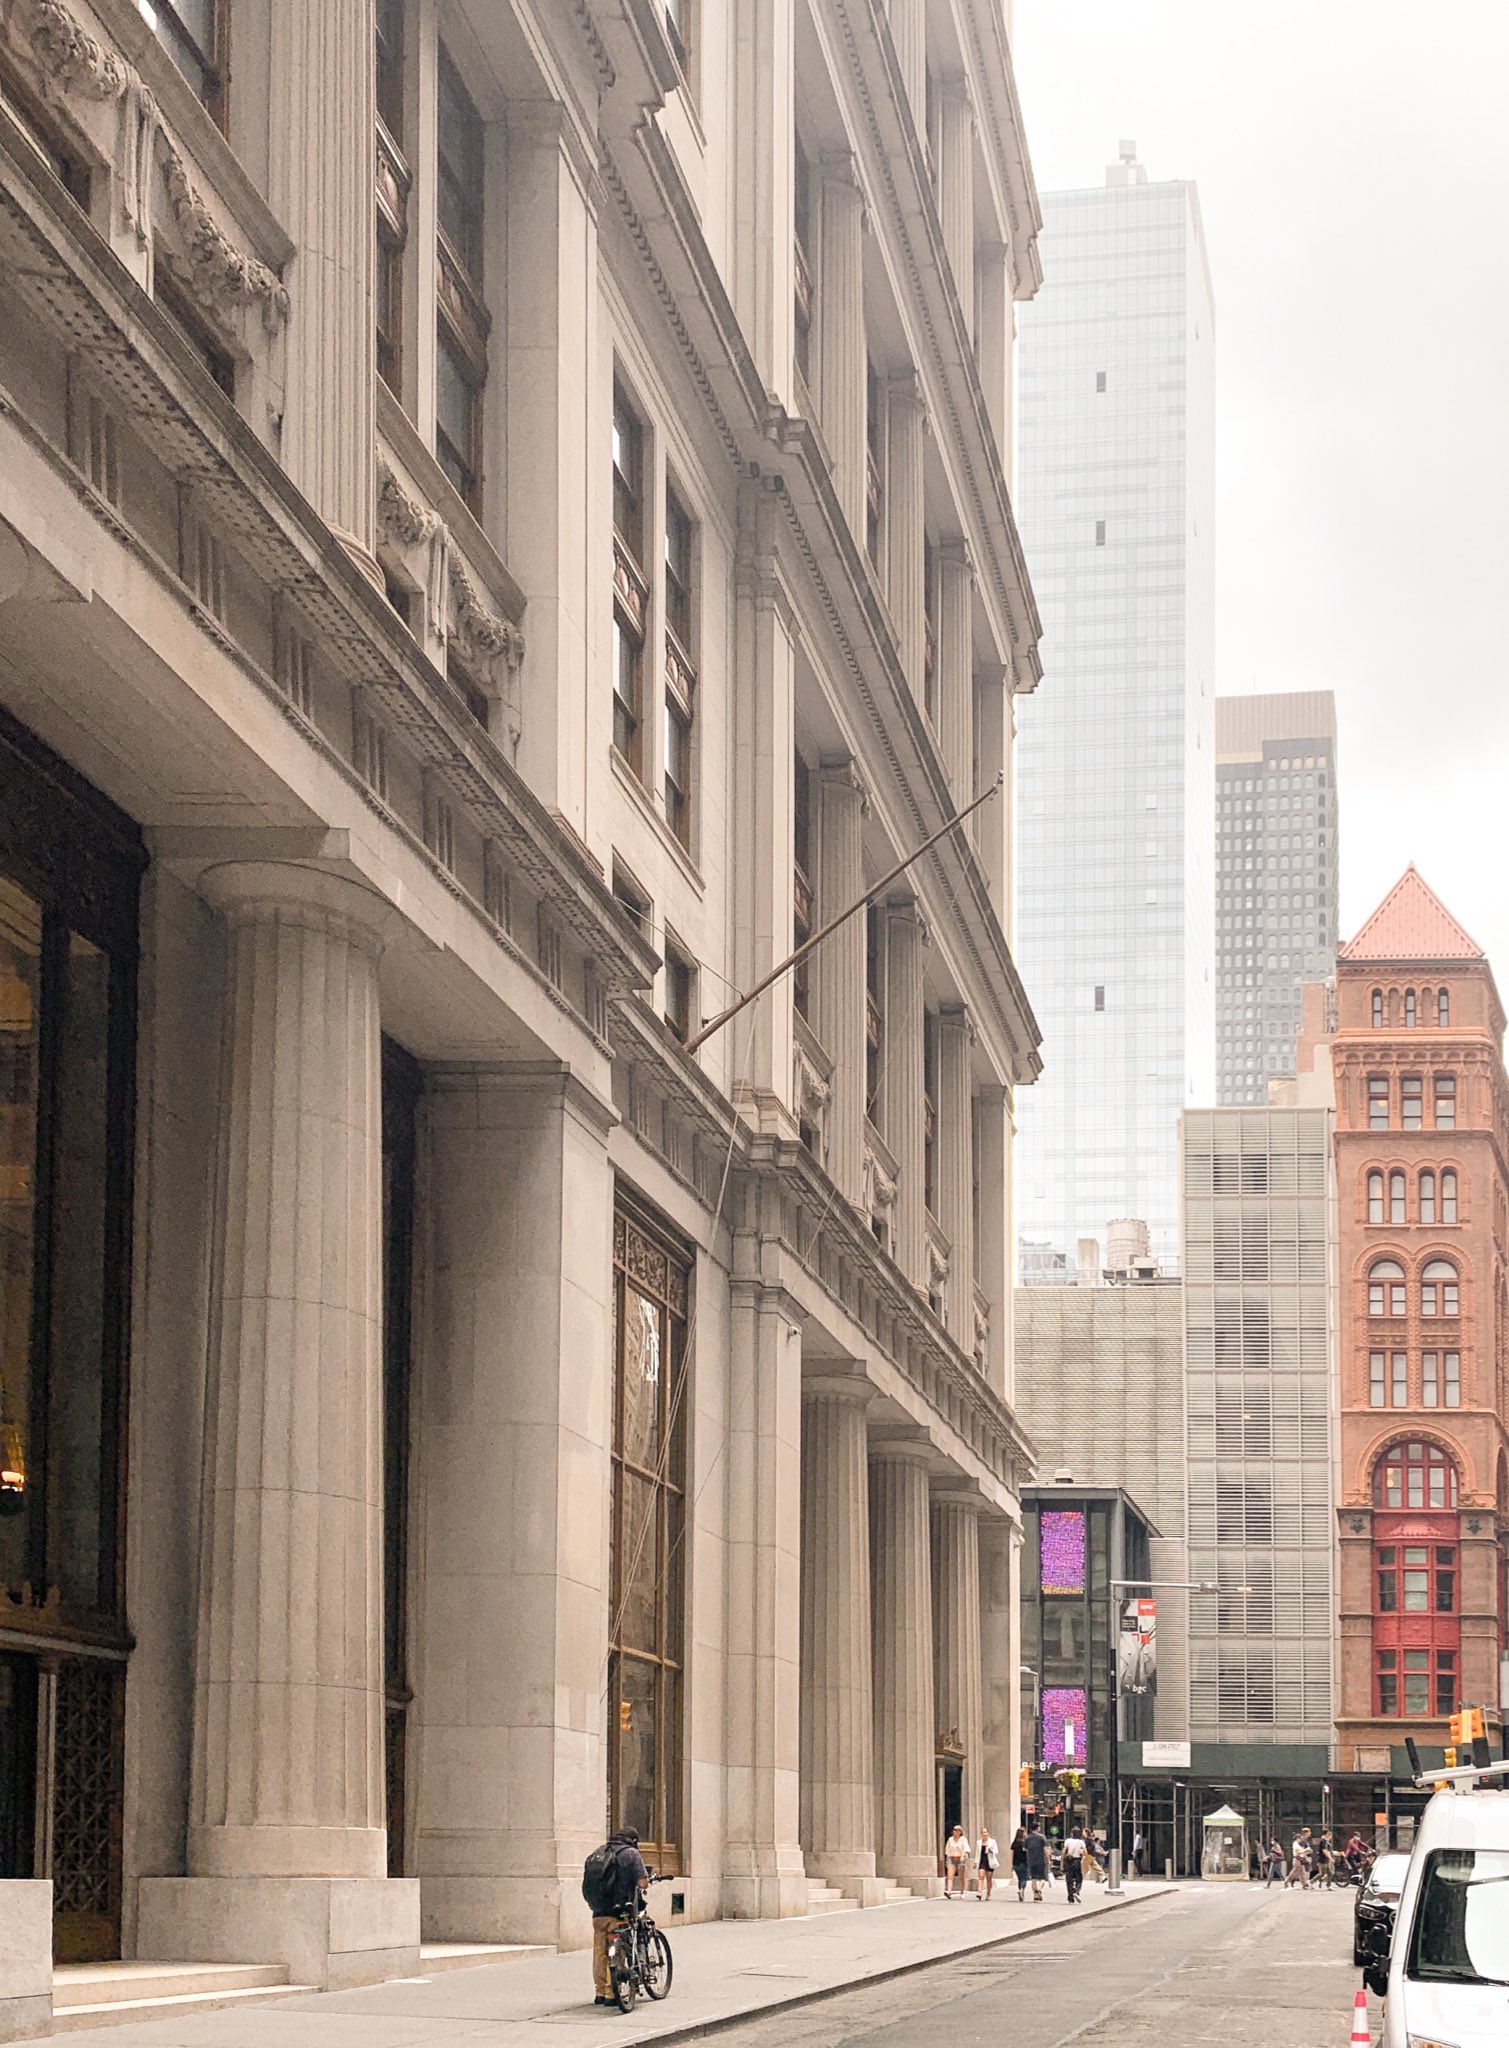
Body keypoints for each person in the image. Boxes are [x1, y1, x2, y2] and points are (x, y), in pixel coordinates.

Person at [583, 1826, 648, 2006]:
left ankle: (600, 1992)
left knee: (599, 1952)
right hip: (619, 1911)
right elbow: (643, 1882)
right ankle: (613, 1994)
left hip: (598, 1911)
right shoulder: (631, 1854)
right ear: (633, 1841)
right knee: (617, 1951)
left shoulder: (598, 1853)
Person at [943, 1823, 970, 1898]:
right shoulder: (950, 1839)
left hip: (960, 1859)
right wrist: (947, 1859)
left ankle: (962, 1892)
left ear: (960, 1832)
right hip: (952, 1858)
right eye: (954, 1830)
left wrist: (963, 1855)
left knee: (961, 1877)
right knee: (950, 1876)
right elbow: (947, 1850)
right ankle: (949, 1891)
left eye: (957, 1830)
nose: (955, 1831)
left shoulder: (963, 1839)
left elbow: (966, 1849)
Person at [1061, 1826, 1087, 1903]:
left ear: (1072, 1833)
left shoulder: (1068, 1841)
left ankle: (1070, 1897)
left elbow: (1063, 1852)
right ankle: (1076, 1890)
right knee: (1079, 1878)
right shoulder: (1081, 1842)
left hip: (1069, 1861)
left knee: (1069, 1879)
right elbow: (1085, 1853)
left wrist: (1062, 1864)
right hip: (1077, 1861)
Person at [1025, 1822, 1050, 1902]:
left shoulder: (1028, 1838)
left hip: (1031, 1860)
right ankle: (1039, 1889)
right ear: (1037, 1828)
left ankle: (1035, 1896)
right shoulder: (1042, 1837)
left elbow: (1025, 1849)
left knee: (1033, 1879)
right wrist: (1049, 1859)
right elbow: (1045, 1849)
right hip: (1041, 1860)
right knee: (1043, 1878)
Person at [977, 1825, 999, 1901]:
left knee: (989, 1878)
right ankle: (979, 1892)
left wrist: (991, 1850)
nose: (984, 1834)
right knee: (981, 1876)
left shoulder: (992, 1841)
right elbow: (977, 1853)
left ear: (988, 1833)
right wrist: (975, 1862)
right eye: (983, 1832)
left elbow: (996, 1851)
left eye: (985, 1832)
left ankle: (988, 1893)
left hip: (990, 1861)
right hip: (982, 1861)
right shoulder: (979, 1842)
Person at [1009, 1825, 1030, 1900]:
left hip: (1015, 1864)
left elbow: (1012, 1854)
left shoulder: (1014, 1843)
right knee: (1024, 1878)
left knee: (1020, 1879)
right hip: (1024, 1863)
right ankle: (1021, 1890)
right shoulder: (1025, 1843)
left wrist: (1011, 1864)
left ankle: (1021, 1892)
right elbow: (1027, 1853)